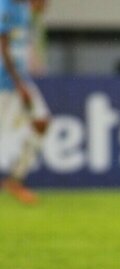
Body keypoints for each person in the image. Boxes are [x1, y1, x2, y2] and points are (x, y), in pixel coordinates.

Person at [0, 0, 50, 204]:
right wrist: (19, 83)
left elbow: (39, 7)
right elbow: (2, 47)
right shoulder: (5, 8)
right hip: (5, 82)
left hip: (20, 79)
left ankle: (15, 181)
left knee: (41, 122)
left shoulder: (22, 8)